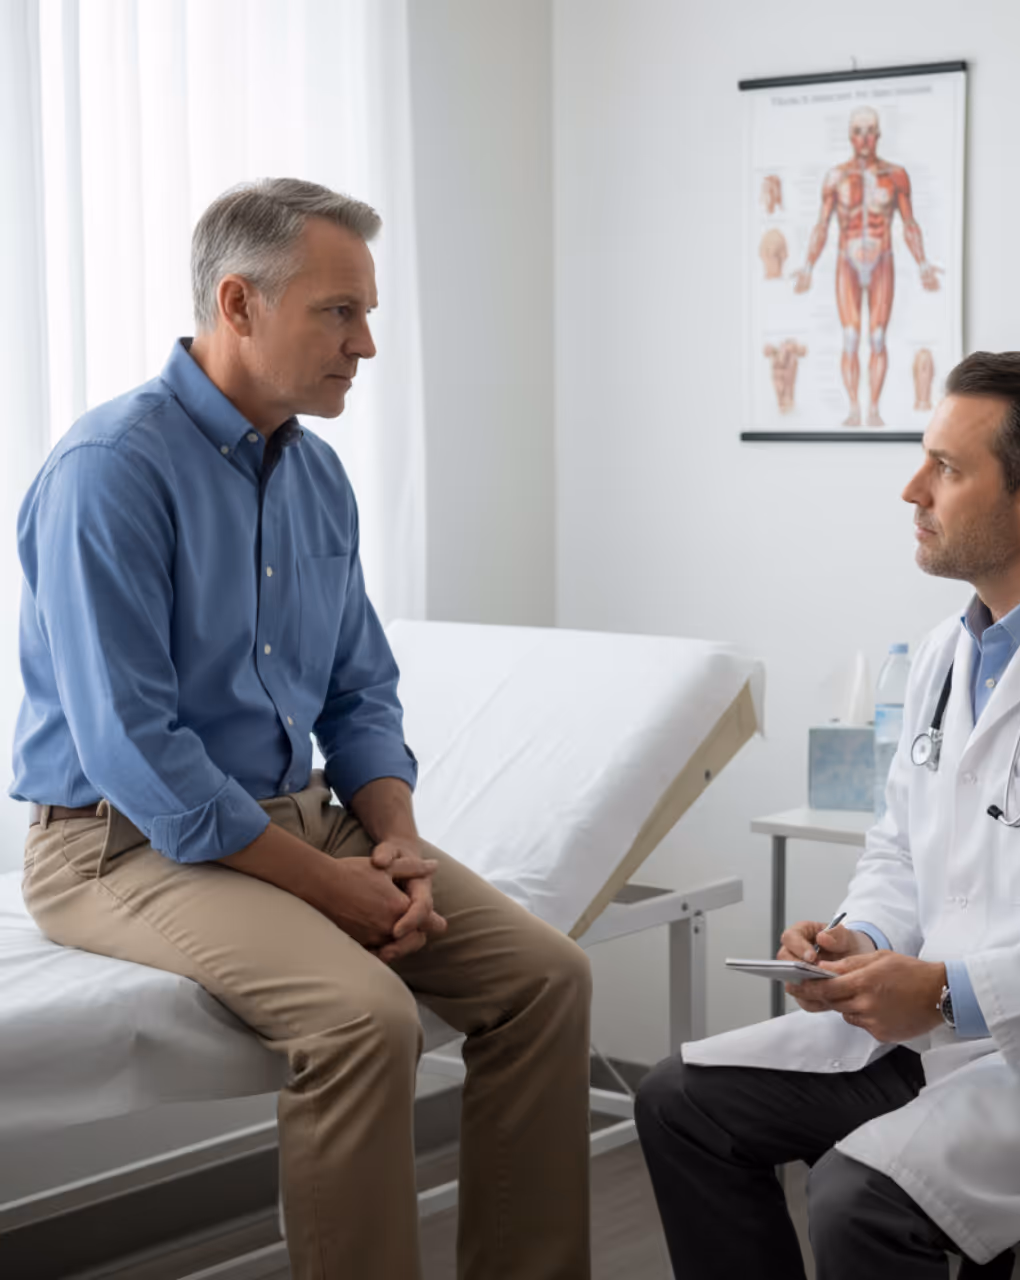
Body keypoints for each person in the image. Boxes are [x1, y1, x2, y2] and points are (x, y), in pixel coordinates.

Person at [12, 178, 592, 1280]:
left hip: (299, 815)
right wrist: (334, 888)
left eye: (366, 312)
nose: (365, 344)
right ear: (237, 303)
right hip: (117, 838)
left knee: (545, 978)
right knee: (363, 1019)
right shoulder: (109, 474)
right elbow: (137, 750)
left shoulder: (316, 474)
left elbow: (359, 689)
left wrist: (396, 842)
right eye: (339, 311)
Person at [636, 351, 1020, 1278]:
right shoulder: (945, 652)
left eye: (947, 468)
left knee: (859, 1200)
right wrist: (863, 937)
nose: (911, 489)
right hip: (943, 1025)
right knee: (683, 1100)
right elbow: (901, 847)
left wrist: (940, 991)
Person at [793, 106, 940, 428]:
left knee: (876, 338)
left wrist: (923, 264)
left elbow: (909, 223)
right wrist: (807, 265)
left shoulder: (896, 175)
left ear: (878, 135)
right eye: (858, 131)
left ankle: (873, 407)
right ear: (849, 135)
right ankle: (852, 408)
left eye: (870, 130)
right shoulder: (836, 176)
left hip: (881, 260)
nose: (864, 138)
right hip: (847, 260)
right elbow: (821, 225)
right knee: (849, 337)